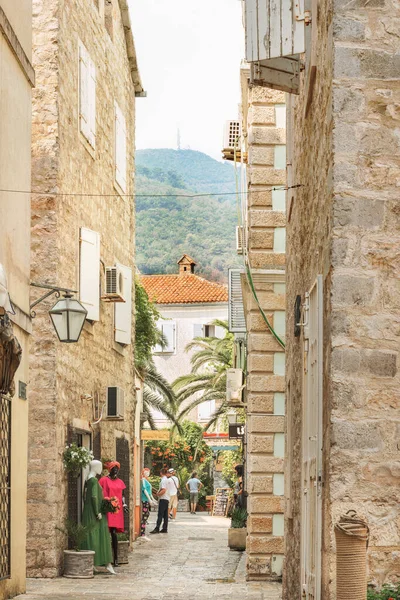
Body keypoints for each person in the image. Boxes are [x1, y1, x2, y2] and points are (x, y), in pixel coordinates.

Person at [80, 460, 115, 574]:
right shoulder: (94, 481)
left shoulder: (88, 480)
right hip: (95, 512)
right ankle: (107, 563)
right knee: (100, 537)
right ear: (95, 467)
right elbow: (94, 497)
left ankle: (93, 563)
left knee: (91, 536)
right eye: (99, 466)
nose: (101, 469)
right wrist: (97, 512)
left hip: (88, 511)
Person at [99, 461, 128, 567]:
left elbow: (123, 495)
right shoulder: (103, 480)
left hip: (117, 510)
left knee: (114, 533)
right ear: (109, 469)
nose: (115, 470)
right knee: (105, 533)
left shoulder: (120, 482)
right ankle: (104, 558)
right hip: (107, 508)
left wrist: (124, 505)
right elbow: (99, 493)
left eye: (117, 469)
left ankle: (115, 558)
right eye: (113, 468)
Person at [150, 468, 174, 534]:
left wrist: (158, 494)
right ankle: (164, 528)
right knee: (165, 515)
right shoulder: (167, 480)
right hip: (167, 498)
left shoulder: (163, 480)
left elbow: (163, 490)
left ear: (161, 473)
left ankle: (157, 528)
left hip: (163, 498)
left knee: (160, 514)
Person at [141, 468, 157, 538]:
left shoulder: (146, 480)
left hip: (147, 500)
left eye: (148, 472)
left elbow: (149, 492)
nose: (147, 473)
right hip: (145, 499)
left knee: (146, 514)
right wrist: (150, 500)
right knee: (144, 516)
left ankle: (143, 532)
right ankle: (142, 533)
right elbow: (144, 490)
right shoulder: (143, 480)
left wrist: (152, 499)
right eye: (146, 472)